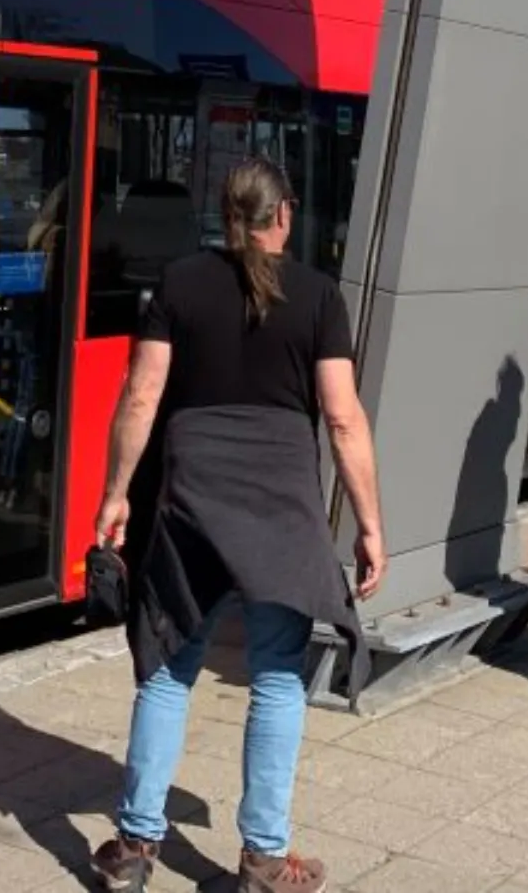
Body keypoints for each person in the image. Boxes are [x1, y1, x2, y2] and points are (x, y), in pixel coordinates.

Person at [90, 159, 386, 893]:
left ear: (224, 216)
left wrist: (116, 494)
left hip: (191, 498)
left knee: (167, 671)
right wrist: (370, 525)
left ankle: (133, 849)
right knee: (279, 678)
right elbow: (344, 420)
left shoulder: (178, 285)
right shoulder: (319, 296)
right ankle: (262, 860)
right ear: (282, 213)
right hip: (282, 505)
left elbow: (140, 398)